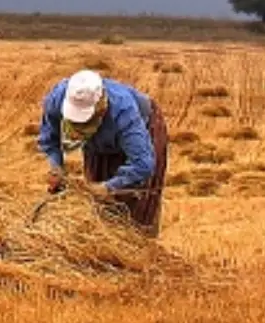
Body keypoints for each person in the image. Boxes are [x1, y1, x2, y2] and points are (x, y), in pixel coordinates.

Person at [35, 69, 170, 237]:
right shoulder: (57, 99)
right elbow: (49, 138)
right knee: (98, 206)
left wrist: (108, 187)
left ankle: (139, 251)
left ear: (100, 108)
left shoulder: (124, 111)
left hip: (142, 134)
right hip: (100, 144)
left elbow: (143, 164)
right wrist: (56, 168)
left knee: (135, 212)